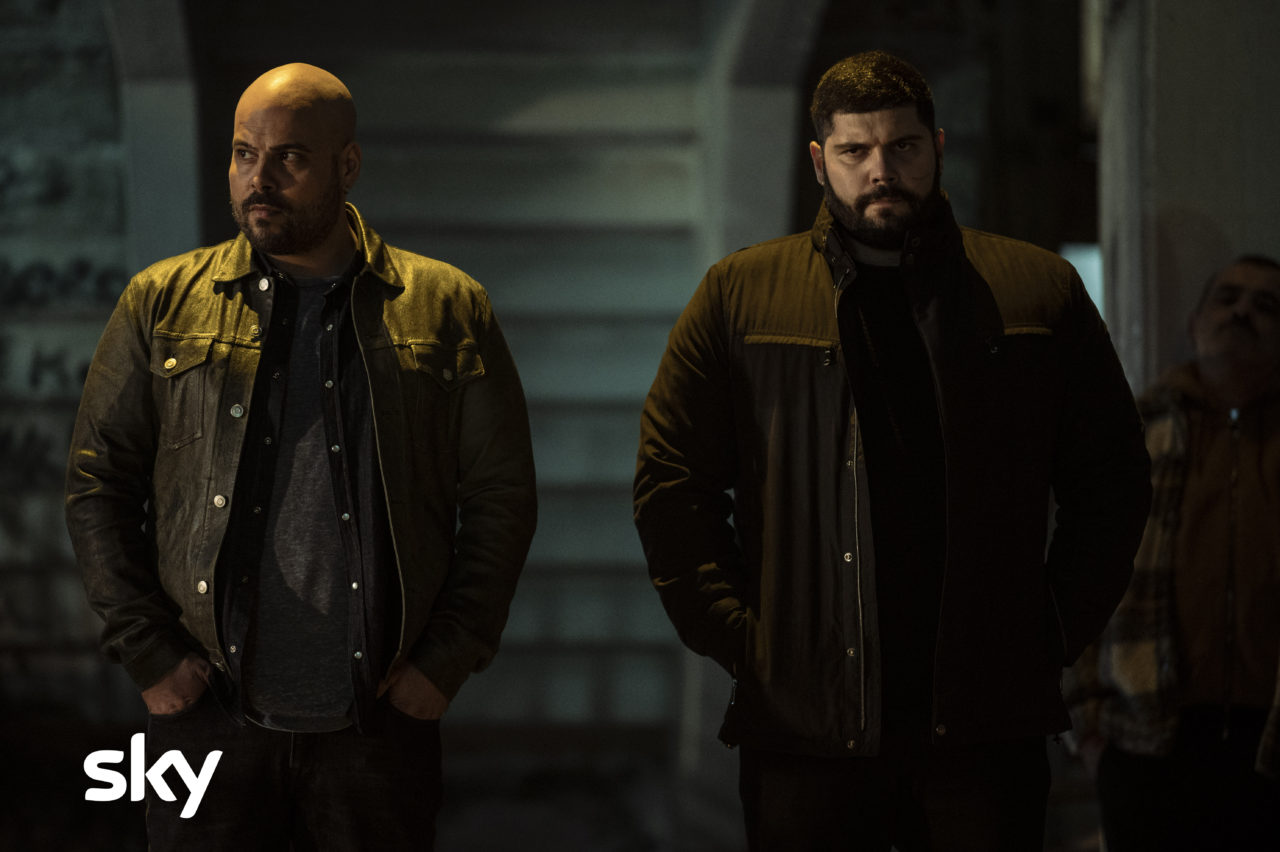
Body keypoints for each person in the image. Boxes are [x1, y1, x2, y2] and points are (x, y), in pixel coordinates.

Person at [633, 49, 1151, 850]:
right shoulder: (739, 296)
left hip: (982, 722)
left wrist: (1048, 629)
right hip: (806, 725)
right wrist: (744, 640)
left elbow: (1112, 480)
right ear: (820, 161)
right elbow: (672, 487)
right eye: (856, 151)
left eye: (902, 147)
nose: (882, 170)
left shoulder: (1034, 289)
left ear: (936, 147)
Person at [65, 63, 537, 850]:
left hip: (376, 720)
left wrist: (443, 664)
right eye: (244, 153)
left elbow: (501, 496)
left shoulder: (444, 306)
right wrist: (150, 657)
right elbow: (97, 485)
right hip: (205, 713)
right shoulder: (162, 301)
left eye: (288, 157)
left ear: (346, 166)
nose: (259, 179)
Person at [1066, 256, 1280, 851]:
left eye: (1266, 306)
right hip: (1146, 745)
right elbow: (1076, 573)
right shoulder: (1130, 430)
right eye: (1228, 298)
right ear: (1193, 323)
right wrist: (1088, 730)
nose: (1242, 311)